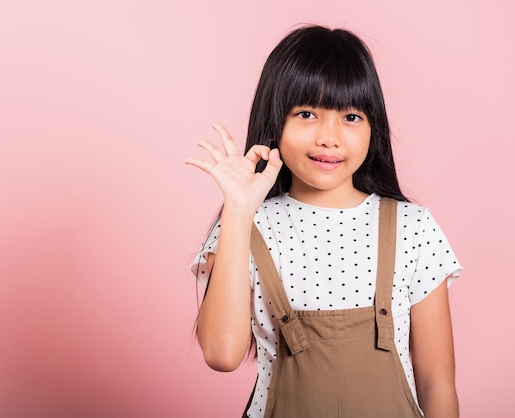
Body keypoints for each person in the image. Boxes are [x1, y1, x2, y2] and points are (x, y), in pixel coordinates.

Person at [185, 25, 461, 418]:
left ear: (373, 127)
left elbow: (437, 383)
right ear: (275, 120)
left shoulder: (414, 227)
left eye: (351, 116)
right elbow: (221, 354)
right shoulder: (243, 223)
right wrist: (239, 210)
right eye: (307, 113)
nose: (329, 138)